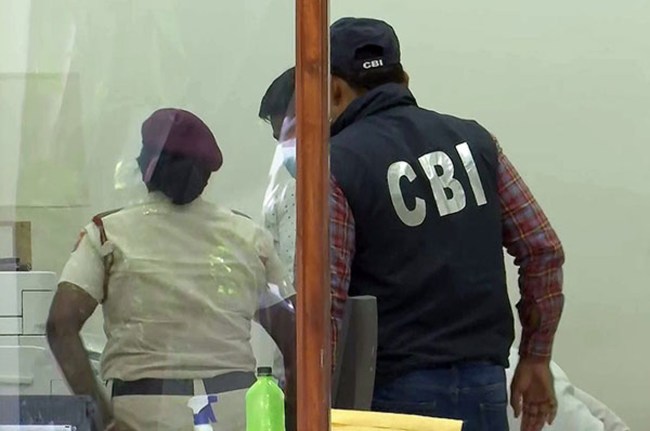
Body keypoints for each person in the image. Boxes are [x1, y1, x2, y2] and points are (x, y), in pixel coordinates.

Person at [327, 17, 565, 431]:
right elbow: (542, 248)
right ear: (403, 79)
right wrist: (536, 356)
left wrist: (312, 398)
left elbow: (327, 296)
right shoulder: (476, 142)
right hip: (485, 386)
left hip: (393, 397)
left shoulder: (335, 163)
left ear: (332, 89)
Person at [46, 108, 296, 431]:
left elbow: (60, 325)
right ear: (207, 175)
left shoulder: (107, 235)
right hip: (235, 413)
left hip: (140, 414)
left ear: (143, 167)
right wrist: (292, 413)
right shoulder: (248, 238)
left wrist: (104, 422)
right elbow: (296, 334)